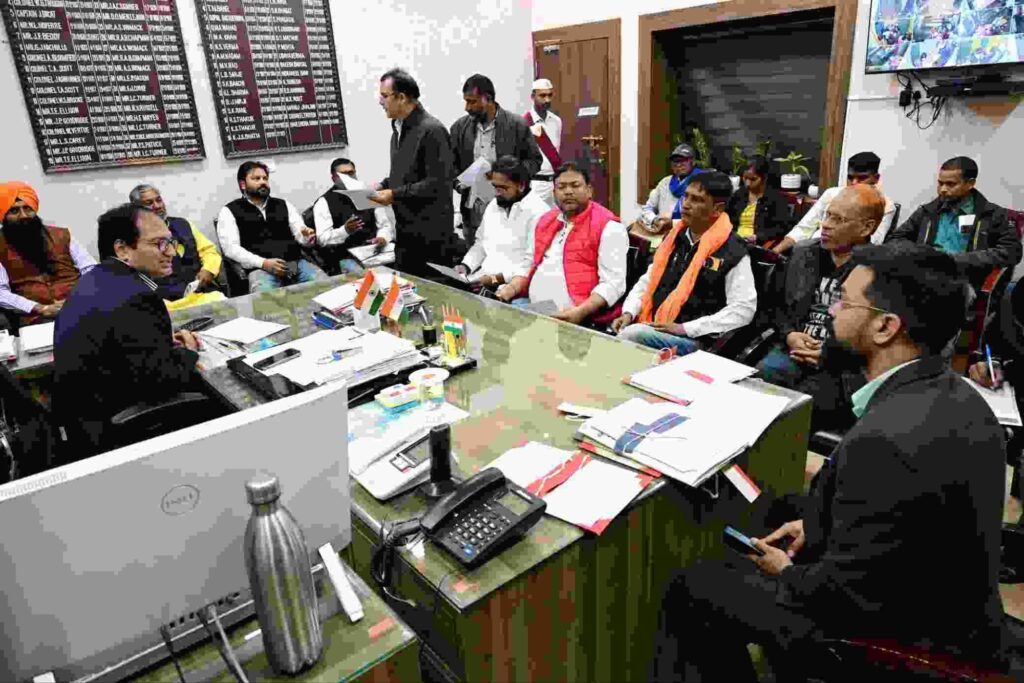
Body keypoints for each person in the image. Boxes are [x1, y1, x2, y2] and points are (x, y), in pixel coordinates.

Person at [652, 243, 1006, 682]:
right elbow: (897, 521)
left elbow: (846, 595)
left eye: (845, 302)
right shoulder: (953, 395)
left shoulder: (887, 439)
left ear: (885, 327)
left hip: (895, 641)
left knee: (695, 587)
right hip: (942, 600)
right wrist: (816, 525)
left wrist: (787, 574)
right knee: (778, 508)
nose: (833, 310)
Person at [53, 204, 205, 453]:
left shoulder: (97, 279)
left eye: (171, 242)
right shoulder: (136, 297)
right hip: (119, 435)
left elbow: (128, 350)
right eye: (159, 244)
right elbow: (163, 383)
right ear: (123, 249)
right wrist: (189, 351)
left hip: (84, 423)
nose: (171, 252)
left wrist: (160, 344)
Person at [757, 185, 883, 431]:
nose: (825, 225)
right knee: (760, 383)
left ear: (866, 228)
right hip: (793, 348)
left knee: (804, 408)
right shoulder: (802, 254)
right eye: (827, 215)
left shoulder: (879, 269)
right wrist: (790, 335)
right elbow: (776, 308)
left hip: (844, 365)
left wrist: (831, 354)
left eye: (838, 219)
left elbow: (877, 338)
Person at [612, 172, 756, 356]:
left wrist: (685, 328)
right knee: (624, 332)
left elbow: (744, 309)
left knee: (632, 336)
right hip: (653, 326)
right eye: (685, 196)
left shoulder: (732, 250)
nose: (686, 204)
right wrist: (629, 312)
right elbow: (648, 280)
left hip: (696, 341)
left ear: (717, 209)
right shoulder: (675, 237)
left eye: (696, 200)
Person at [495, 161, 628, 326]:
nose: (568, 191)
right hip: (534, 308)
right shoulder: (546, 220)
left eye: (575, 185)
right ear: (554, 192)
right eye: (561, 187)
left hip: (579, 317)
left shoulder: (609, 227)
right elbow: (529, 263)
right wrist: (511, 289)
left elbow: (613, 284)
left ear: (589, 190)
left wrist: (581, 311)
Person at [370, 68, 460, 277]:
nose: (380, 101)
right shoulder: (397, 129)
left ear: (401, 97)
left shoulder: (432, 130)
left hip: (430, 237)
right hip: (405, 232)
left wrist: (394, 194)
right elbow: (408, 173)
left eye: (384, 96)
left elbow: (438, 183)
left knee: (433, 291)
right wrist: (384, 185)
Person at [886, 156, 1021, 291]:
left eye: (950, 184)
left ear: (970, 183)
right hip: (923, 275)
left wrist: (958, 260)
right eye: (940, 183)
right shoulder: (927, 212)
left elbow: (1011, 251)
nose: (943, 189)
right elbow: (896, 239)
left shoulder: (992, 215)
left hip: (963, 281)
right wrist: (919, 254)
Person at [450, 74, 542, 245]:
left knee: (507, 253)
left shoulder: (517, 125)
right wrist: (457, 183)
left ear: (488, 99)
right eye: (466, 101)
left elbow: (534, 161)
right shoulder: (459, 128)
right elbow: (450, 165)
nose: (467, 107)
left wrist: (511, 175)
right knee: (475, 254)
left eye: (472, 102)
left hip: (510, 209)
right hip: (473, 210)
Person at [216, 161, 325, 293]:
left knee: (328, 288)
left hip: (296, 264)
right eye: (256, 179)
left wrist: (307, 237)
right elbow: (231, 249)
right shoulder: (229, 211)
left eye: (265, 178)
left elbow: (301, 235)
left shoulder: (284, 204)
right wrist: (263, 263)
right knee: (265, 301)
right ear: (243, 184)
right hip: (261, 269)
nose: (263, 182)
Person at [0, 181, 96, 325]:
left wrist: (80, 298)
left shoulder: (62, 235)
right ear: (3, 215)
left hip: (82, 307)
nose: (24, 215)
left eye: (28, 208)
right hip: (36, 318)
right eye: (14, 211)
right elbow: (1, 292)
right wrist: (40, 308)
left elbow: (90, 269)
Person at [453, 155, 549, 290]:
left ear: (521, 186)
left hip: (513, 287)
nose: (496, 193)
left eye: (502, 188)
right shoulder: (494, 205)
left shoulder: (539, 212)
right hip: (481, 279)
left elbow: (530, 265)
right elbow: (481, 244)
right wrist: (466, 266)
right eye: (495, 187)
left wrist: (493, 280)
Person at [773, 151, 898, 253]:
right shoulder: (831, 193)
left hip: (848, 260)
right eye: (850, 178)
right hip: (810, 252)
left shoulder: (886, 205)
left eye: (862, 178)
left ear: (876, 178)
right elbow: (804, 228)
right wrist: (775, 252)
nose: (854, 183)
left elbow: (873, 244)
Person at [128, 184, 222, 301]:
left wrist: (208, 270)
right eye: (149, 203)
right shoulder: (133, 238)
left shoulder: (183, 224)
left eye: (159, 200)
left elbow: (208, 251)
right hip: (167, 301)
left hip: (203, 291)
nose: (157, 206)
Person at [309, 157, 395, 275]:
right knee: (364, 276)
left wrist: (382, 238)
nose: (348, 178)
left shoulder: (368, 195)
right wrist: (345, 230)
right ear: (334, 178)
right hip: (346, 255)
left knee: (402, 266)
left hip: (375, 250)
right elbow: (322, 239)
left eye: (351, 173)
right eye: (343, 174)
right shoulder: (324, 202)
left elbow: (385, 226)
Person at [724, 155, 792, 247]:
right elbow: (725, 217)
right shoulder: (739, 195)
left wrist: (758, 237)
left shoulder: (775, 198)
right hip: (734, 240)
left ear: (764, 178)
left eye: (753, 179)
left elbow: (782, 227)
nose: (748, 183)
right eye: (745, 178)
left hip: (756, 244)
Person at [637, 144, 704, 235]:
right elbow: (647, 208)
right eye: (675, 161)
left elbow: (701, 217)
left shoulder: (701, 182)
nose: (678, 164)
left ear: (692, 161)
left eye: (683, 160)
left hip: (689, 235)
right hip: (662, 234)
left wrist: (672, 223)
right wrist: (655, 220)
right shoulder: (665, 182)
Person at [524, 78, 562, 207]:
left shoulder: (556, 121)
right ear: (532, 96)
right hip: (535, 184)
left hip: (555, 182)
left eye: (550, 95)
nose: (547, 100)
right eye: (542, 95)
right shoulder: (524, 123)